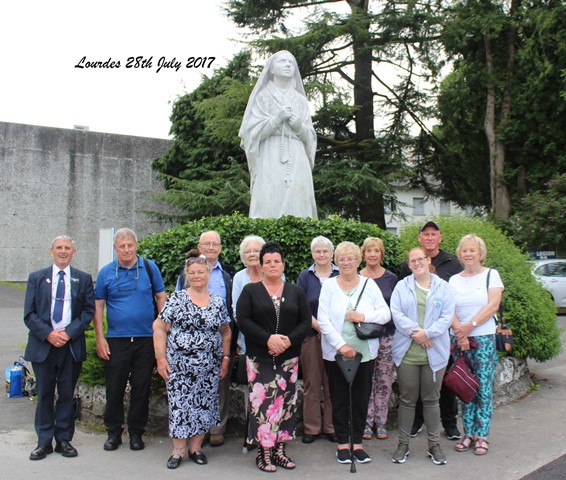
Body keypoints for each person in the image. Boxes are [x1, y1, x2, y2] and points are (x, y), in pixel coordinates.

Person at [237, 242, 311, 472]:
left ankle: (280, 450)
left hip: (288, 358)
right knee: (264, 403)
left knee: (286, 402)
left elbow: (305, 322)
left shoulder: (295, 291)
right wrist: (268, 339)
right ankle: (264, 452)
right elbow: (243, 320)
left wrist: (288, 341)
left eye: (276, 261)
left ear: (283, 264)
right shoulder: (250, 291)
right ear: (260, 266)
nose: (272, 265)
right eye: (267, 261)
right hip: (261, 358)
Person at [153, 251, 232, 469]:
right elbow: (159, 327)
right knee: (181, 406)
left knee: (204, 406)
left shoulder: (217, 302)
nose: (197, 276)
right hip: (179, 367)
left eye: (201, 272)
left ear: (208, 274)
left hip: (209, 367)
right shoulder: (177, 299)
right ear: (187, 275)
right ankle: (178, 451)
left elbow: (226, 331)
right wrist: (160, 358)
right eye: (192, 272)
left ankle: (196, 448)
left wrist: (225, 359)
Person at [317, 241, 391, 465]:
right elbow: (323, 320)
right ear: (336, 262)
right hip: (336, 353)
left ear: (358, 261)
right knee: (338, 398)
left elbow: (385, 313)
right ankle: (342, 444)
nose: (346, 262)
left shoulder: (369, 284)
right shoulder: (329, 286)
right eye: (341, 259)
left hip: (364, 353)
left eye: (350, 258)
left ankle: (357, 444)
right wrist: (341, 345)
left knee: (360, 399)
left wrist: (363, 317)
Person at [94, 228, 167, 452]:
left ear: (136, 245)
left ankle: (136, 432)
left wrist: (162, 330)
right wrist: (100, 338)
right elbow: (98, 306)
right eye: (121, 246)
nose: (126, 250)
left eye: (130, 245)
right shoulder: (106, 272)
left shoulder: (149, 267)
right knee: (114, 388)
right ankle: (113, 433)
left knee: (141, 389)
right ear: (115, 248)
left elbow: (161, 296)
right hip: (117, 340)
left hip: (145, 339)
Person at [24, 236, 95, 460]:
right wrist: (49, 334)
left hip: (70, 345)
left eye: (67, 248)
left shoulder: (83, 279)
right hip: (43, 345)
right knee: (44, 394)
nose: (63, 251)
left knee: (66, 394)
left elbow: (87, 311)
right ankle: (43, 441)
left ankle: (63, 439)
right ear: (51, 251)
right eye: (59, 248)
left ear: (74, 252)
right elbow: (29, 313)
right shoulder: (37, 278)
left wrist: (67, 333)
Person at [390, 246, 455, 466]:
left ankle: (434, 445)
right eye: (412, 260)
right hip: (407, 353)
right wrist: (417, 334)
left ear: (428, 260)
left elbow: (447, 317)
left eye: (420, 259)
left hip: (434, 353)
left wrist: (428, 333)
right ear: (409, 265)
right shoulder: (402, 286)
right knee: (407, 400)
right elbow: (396, 314)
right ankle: (403, 444)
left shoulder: (443, 287)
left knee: (431, 400)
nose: (417, 263)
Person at [399, 221, 463, 440]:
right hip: (414, 338)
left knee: (443, 385)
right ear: (419, 239)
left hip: (439, 337)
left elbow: (451, 306)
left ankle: (450, 424)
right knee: (415, 388)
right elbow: (403, 305)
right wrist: (419, 334)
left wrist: (430, 333)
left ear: (440, 237)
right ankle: (417, 422)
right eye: (425, 234)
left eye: (433, 234)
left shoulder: (452, 264)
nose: (429, 238)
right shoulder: (405, 267)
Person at [239, 50, 318, 219]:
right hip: (270, 152)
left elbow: (310, 136)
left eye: (291, 62)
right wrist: (277, 119)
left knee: (300, 200)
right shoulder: (262, 97)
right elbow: (251, 132)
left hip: (297, 154)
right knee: (268, 199)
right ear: (272, 69)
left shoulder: (300, 100)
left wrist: (297, 125)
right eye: (282, 61)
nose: (288, 65)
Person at [174, 231, 236, 447]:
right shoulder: (185, 275)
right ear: (199, 247)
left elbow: (230, 312)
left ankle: (217, 429)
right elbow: (172, 312)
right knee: (189, 389)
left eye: (215, 244)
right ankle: (191, 432)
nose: (211, 248)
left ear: (220, 248)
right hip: (186, 347)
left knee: (219, 384)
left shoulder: (228, 274)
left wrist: (229, 348)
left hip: (218, 341)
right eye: (206, 244)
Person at [449, 234, 503, 456]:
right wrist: (460, 333)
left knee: (483, 388)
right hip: (459, 339)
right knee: (465, 387)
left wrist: (469, 327)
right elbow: (449, 309)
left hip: (483, 339)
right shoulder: (454, 280)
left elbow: (493, 305)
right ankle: (468, 433)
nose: (468, 254)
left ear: (481, 253)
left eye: (472, 250)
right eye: (464, 250)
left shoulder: (491, 275)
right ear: (460, 254)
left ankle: (482, 435)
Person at [297, 236, 339, 444]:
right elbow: (301, 307)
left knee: (333, 383)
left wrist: (330, 331)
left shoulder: (341, 274)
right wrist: (320, 327)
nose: (321, 255)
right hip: (311, 336)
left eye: (325, 251)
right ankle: (311, 428)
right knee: (312, 383)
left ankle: (331, 427)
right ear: (312, 254)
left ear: (332, 254)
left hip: (336, 338)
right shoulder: (305, 276)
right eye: (317, 251)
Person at [359, 237, 398, 441]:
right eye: (368, 251)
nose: (372, 254)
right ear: (363, 254)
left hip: (387, 336)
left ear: (382, 254)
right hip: (363, 336)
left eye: (376, 250)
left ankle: (380, 422)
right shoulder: (357, 278)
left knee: (383, 379)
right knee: (365, 379)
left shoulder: (391, 278)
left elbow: (396, 307)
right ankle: (365, 422)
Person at [231, 235, 266, 451]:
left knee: (272, 389)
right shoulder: (239, 278)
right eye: (248, 251)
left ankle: (270, 434)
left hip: (272, 344)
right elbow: (237, 312)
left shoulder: (272, 272)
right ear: (243, 256)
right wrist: (257, 332)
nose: (252, 254)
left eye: (256, 250)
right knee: (251, 391)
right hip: (248, 342)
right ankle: (252, 433)